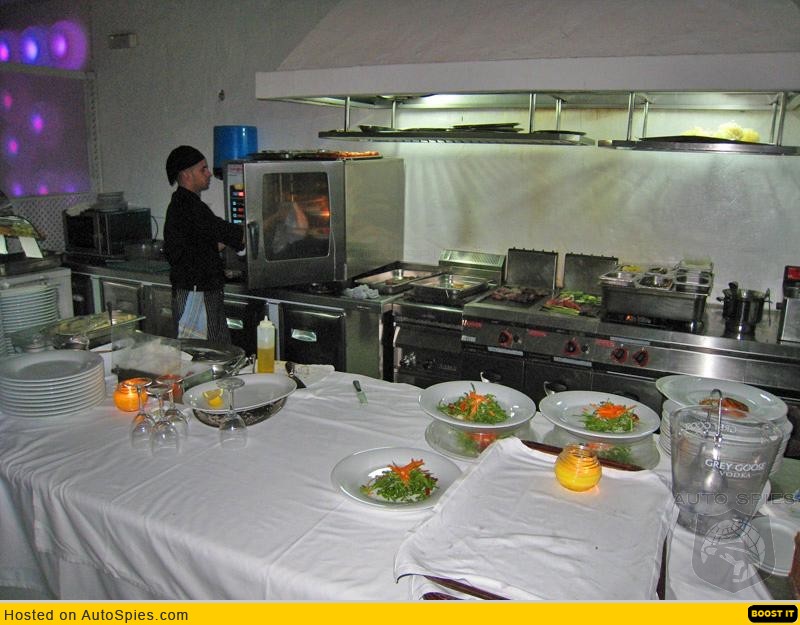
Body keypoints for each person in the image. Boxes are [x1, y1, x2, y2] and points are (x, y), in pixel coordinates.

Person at [163, 145, 244, 343]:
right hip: (195, 295)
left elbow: (208, 243)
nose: (209, 174)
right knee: (199, 353)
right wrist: (257, 227)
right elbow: (227, 232)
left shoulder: (186, 204)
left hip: (203, 291)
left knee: (216, 350)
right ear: (186, 175)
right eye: (203, 169)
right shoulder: (188, 206)